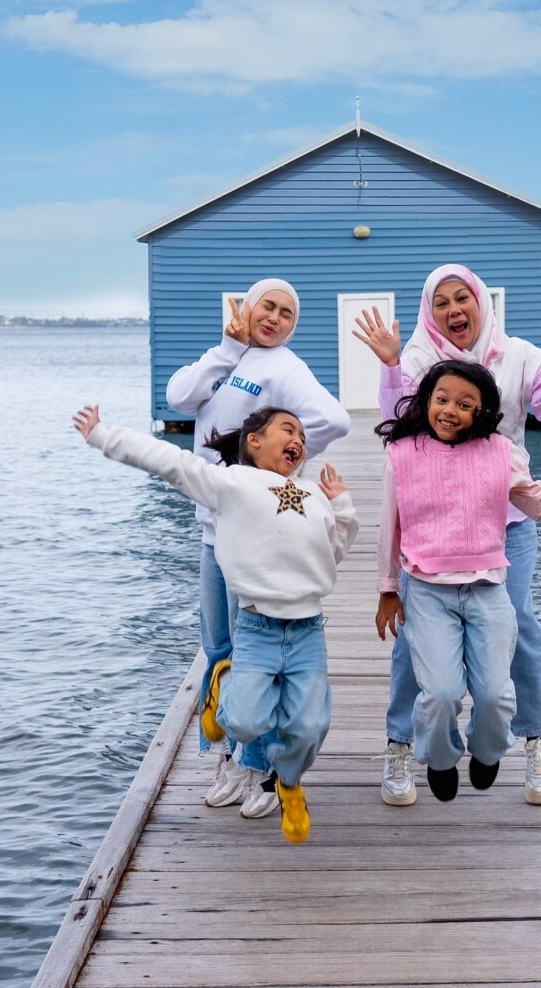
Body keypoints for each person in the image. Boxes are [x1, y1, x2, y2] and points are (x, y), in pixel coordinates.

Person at [353, 263, 541, 807]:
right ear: (429, 311)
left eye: (461, 297)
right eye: (440, 302)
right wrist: (393, 364)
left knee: (522, 632)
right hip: (432, 530)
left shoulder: (519, 355)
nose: (452, 310)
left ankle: (535, 738)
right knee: (411, 646)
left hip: (505, 519)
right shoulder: (419, 357)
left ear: (481, 301)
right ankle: (402, 743)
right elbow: (397, 426)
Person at [72, 403, 358, 844]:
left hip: (307, 631)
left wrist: (340, 505)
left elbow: (332, 551)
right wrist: (102, 435)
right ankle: (221, 687)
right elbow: (170, 461)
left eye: (302, 434)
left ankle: (288, 781)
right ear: (254, 441)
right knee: (245, 723)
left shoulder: (312, 495)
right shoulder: (232, 484)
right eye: (287, 429)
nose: (298, 439)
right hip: (258, 630)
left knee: (310, 727)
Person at [375, 360, 541, 801]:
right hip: (427, 592)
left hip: (488, 589)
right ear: (427, 400)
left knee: (494, 694)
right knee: (440, 693)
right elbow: (388, 528)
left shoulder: (500, 452)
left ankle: (488, 751)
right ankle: (438, 757)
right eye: (441, 399)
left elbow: (536, 503)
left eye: (465, 404)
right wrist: (387, 589)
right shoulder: (402, 453)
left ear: (482, 412)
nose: (450, 410)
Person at [166, 279, 350, 818]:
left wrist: (278, 458)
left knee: (253, 656)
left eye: (288, 312)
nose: (275, 317)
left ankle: (258, 768)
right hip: (212, 532)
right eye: (267, 306)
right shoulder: (223, 357)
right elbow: (179, 397)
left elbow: (334, 420)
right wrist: (226, 352)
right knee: (219, 648)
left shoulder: (285, 368)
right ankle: (223, 755)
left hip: (257, 532)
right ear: (246, 308)